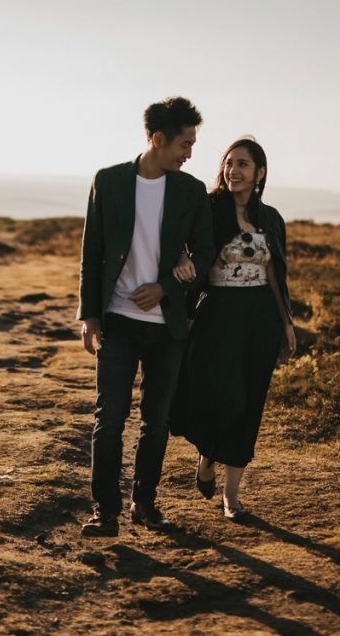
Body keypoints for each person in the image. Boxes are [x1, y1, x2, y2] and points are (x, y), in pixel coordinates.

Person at [77, 97, 215, 536]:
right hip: (117, 321)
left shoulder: (191, 192)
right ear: (158, 139)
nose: (190, 152)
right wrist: (90, 314)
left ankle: (145, 504)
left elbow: (206, 254)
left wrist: (168, 287)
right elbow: (92, 251)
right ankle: (105, 512)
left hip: (167, 326)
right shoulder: (109, 181)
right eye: (185, 143)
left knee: (156, 423)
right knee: (109, 419)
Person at [170, 136, 296, 521]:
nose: (233, 170)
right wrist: (179, 258)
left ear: (259, 173)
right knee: (223, 397)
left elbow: (275, 273)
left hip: (260, 317)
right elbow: (174, 237)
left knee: (250, 402)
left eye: (242, 164)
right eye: (229, 163)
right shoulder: (207, 208)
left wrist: (287, 323)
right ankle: (208, 457)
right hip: (218, 313)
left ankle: (232, 497)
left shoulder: (271, 217)